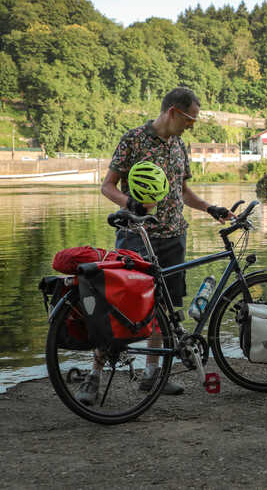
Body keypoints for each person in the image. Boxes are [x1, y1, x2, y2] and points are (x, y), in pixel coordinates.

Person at [75, 87, 234, 405]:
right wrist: (128, 203)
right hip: (136, 237)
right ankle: (93, 377)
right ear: (173, 112)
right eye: (190, 118)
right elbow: (108, 186)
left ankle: (151, 377)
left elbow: (183, 191)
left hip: (174, 237)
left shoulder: (179, 145)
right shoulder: (133, 139)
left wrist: (209, 208)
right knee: (122, 307)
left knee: (165, 310)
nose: (193, 125)